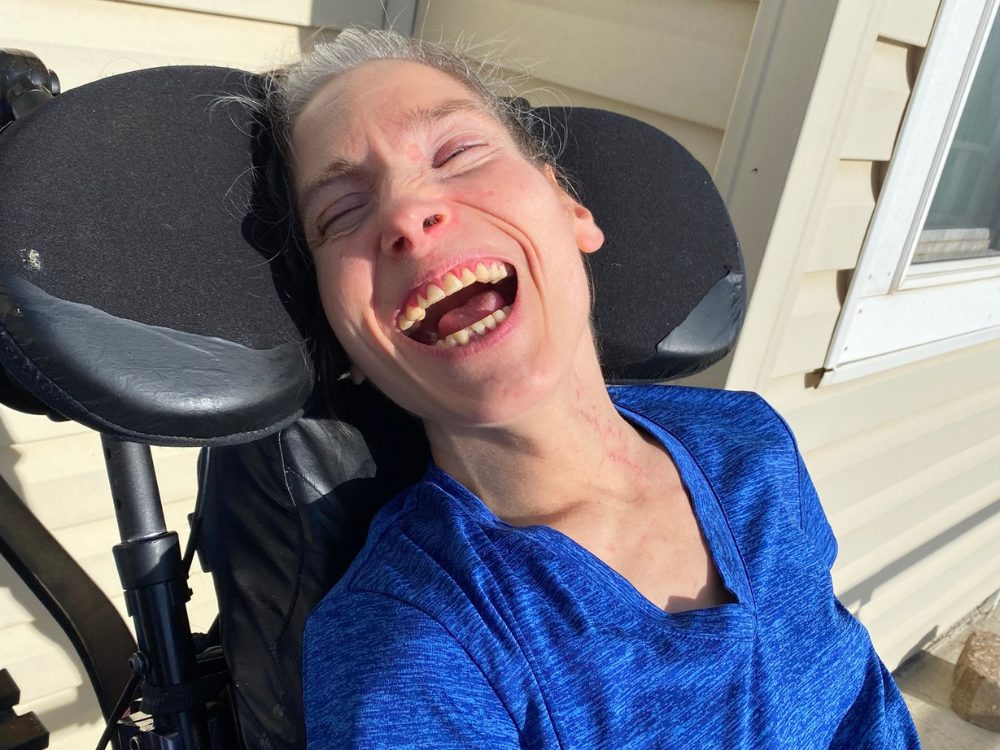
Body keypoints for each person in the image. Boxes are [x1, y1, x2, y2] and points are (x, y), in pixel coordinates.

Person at [263, 28, 920, 748]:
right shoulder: (412, 644)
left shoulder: (751, 442)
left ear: (569, 206)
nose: (405, 215)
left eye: (456, 152)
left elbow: (859, 701)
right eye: (341, 213)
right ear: (340, 339)